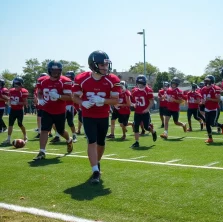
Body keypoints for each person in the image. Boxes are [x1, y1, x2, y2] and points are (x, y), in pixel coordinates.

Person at [73, 50, 121, 184]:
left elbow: (116, 101)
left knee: (101, 143)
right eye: (102, 65)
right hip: (88, 115)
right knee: (91, 141)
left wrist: (103, 101)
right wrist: (83, 102)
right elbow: (74, 97)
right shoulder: (82, 79)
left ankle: (97, 162)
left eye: (106, 65)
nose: (106, 68)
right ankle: (95, 170)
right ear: (93, 65)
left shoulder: (112, 80)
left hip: (103, 115)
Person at [33, 61, 74, 161]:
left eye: (57, 71)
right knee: (44, 130)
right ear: (49, 70)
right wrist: (40, 99)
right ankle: (42, 151)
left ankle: (69, 140)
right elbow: (39, 92)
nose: (55, 73)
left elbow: (70, 98)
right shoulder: (42, 80)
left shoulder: (65, 81)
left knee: (60, 131)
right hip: (46, 109)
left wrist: (59, 96)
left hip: (59, 111)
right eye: (53, 70)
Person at [130, 75, 157, 148]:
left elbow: (151, 102)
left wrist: (147, 109)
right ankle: (136, 142)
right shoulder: (134, 90)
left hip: (145, 112)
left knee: (146, 127)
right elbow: (132, 101)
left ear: (145, 83)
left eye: (141, 83)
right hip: (137, 112)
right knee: (136, 126)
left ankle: (153, 132)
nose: (140, 85)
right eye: (139, 83)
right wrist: (133, 104)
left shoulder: (148, 90)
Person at [2, 77, 28, 144]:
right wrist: (9, 102)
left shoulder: (24, 91)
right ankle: (8, 139)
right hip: (13, 110)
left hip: (19, 110)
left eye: (18, 84)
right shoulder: (11, 90)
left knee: (20, 124)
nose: (16, 85)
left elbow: (25, 103)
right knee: (10, 124)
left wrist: (17, 103)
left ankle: (25, 136)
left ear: (21, 84)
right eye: (15, 83)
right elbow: (9, 100)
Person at [201, 75, 223, 143]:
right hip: (207, 108)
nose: (206, 82)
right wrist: (202, 101)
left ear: (211, 81)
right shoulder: (203, 89)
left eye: (207, 81)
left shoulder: (215, 88)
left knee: (213, 123)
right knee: (207, 123)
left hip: (214, 108)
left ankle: (221, 126)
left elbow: (218, 100)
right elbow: (203, 98)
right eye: (205, 80)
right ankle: (210, 138)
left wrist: (210, 99)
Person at [33, 73, 48, 139]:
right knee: (39, 119)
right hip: (40, 106)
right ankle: (39, 132)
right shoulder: (37, 87)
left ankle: (55, 133)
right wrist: (36, 101)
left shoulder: (48, 85)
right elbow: (36, 96)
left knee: (50, 121)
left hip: (47, 106)